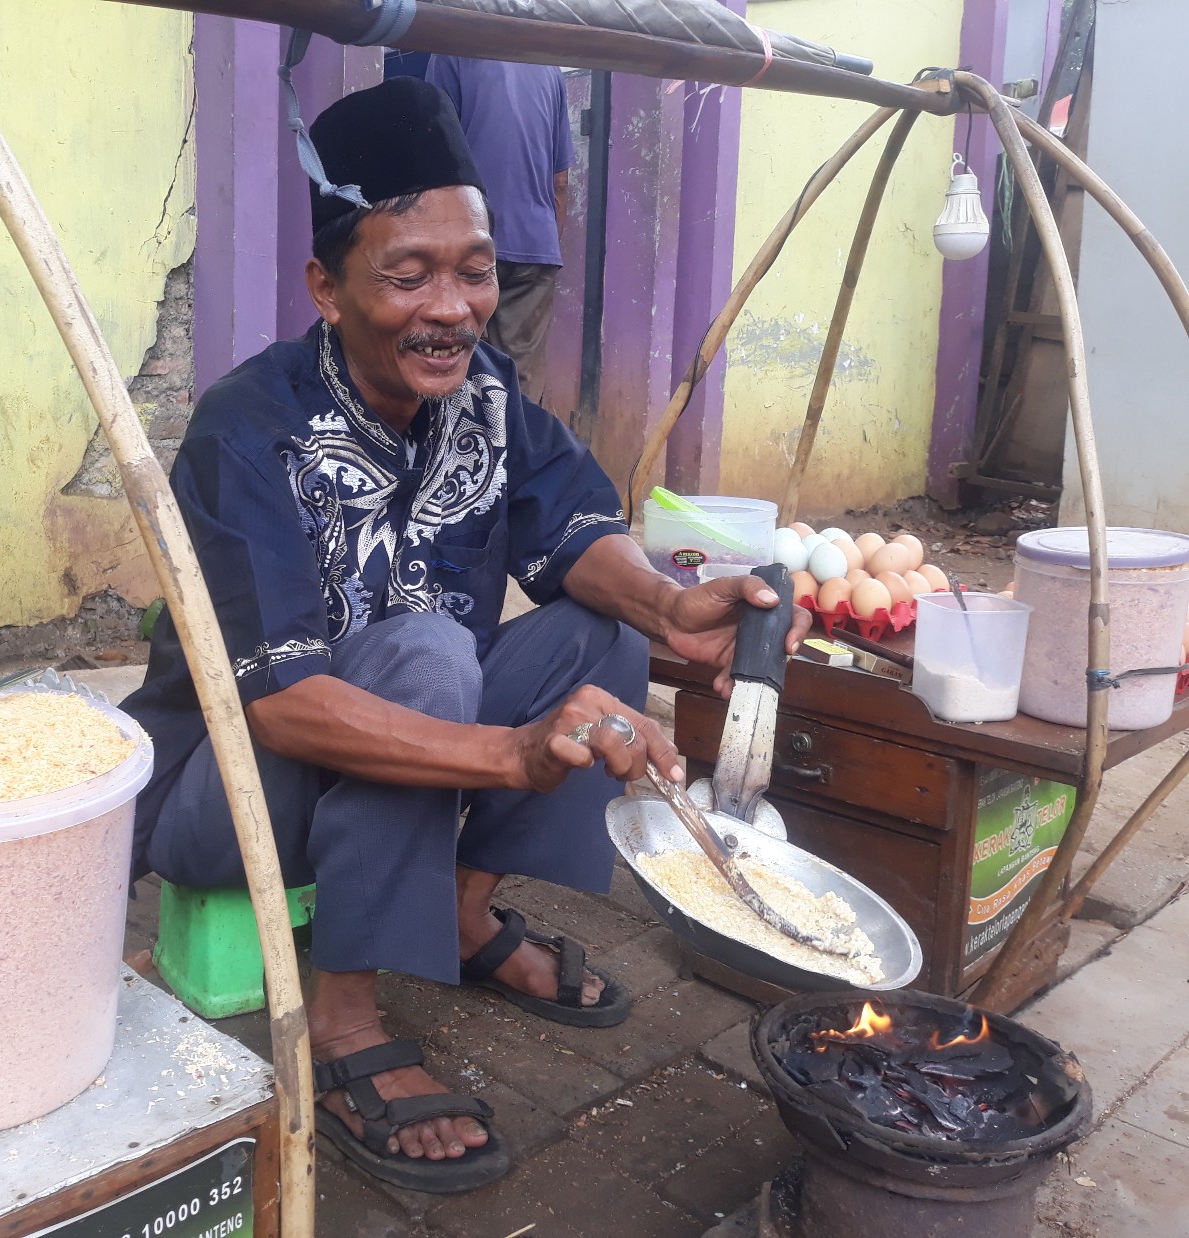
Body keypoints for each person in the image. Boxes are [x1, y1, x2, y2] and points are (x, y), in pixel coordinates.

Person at [121, 78, 807, 1193]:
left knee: (598, 634)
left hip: (395, 742)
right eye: (407, 274)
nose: (452, 306)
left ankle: (456, 905)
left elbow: (576, 531)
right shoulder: (247, 429)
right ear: (326, 289)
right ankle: (345, 1018)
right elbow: (282, 700)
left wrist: (674, 606)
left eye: (474, 267)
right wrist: (512, 753)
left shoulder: (483, 394)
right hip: (228, 791)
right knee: (433, 646)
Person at [424, 55, 573, 404]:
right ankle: (519, 454)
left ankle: (461, 455)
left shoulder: (452, 48)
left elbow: (435, 155)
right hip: (535, 246)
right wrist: (546, 241)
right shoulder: (550, 67)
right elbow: (560, 181)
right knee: (520, 380)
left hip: (466, 243)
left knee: (453, 366)